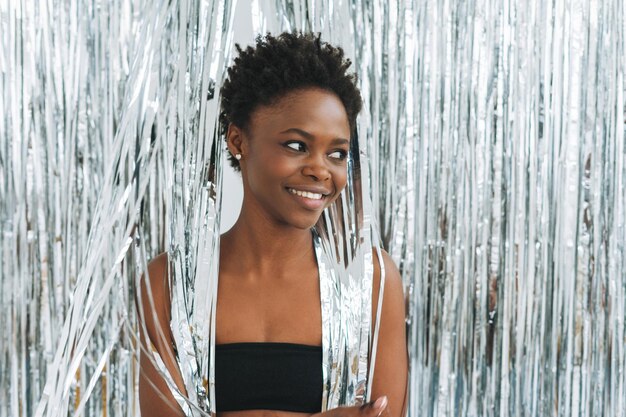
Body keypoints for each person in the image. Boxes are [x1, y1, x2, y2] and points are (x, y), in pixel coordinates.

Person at [138, 32, 408, 417]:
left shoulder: (371, 281)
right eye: (297, 145)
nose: (320, 170)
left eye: (337, 153)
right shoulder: (169, 283)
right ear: (237, 140)